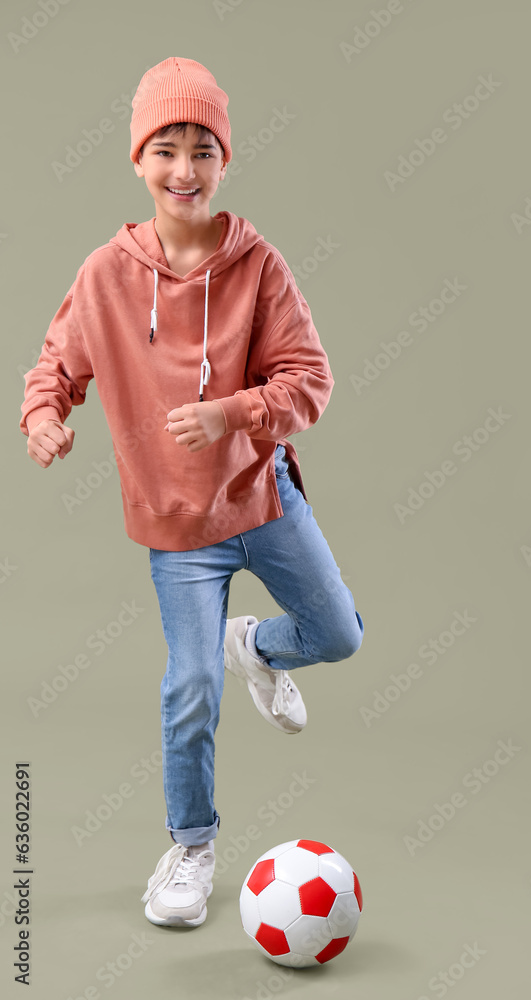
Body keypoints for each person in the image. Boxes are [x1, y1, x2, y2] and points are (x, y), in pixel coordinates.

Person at [19, 57, 364, 929]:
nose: (184, 169)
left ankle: (264, 649)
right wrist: (42, 419)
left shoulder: (259, 266)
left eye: (202, 148)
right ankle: (193, 844)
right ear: (139, 160)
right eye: (165, 149)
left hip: (264, 499)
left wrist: (232, 415)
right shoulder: (105, 274)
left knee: (339, 636)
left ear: (224, 160)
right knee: (191, 688)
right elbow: (55, 367)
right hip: (179, 530)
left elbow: (311, 380)